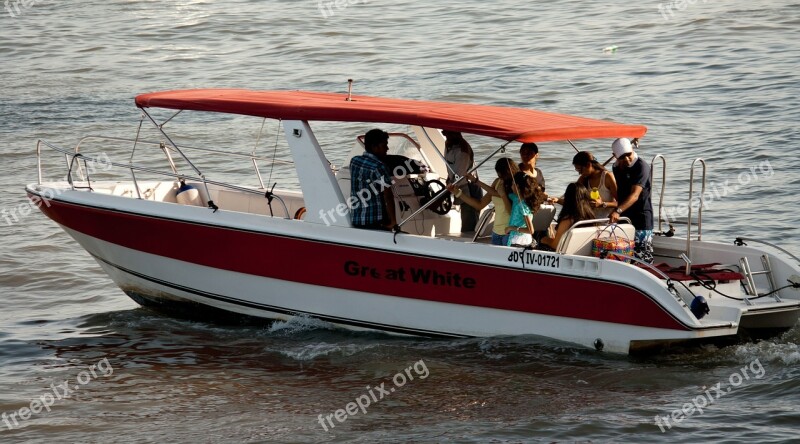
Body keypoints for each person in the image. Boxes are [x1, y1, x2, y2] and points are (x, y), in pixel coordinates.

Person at [446, 158, 518, 246]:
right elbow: (479, 205)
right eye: (499, 175)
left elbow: (510, 211)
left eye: (503, 176)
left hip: (510, 232)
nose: (501, 179)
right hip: (496, 232)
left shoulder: (516, 186)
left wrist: (502, 194)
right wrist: (457, 193)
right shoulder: (498, 182)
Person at [609, 138, 653, 263]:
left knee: (642, 258)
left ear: (632, 150)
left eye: (628, 155)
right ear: (615, 156)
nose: (627, 159)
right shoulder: (616, 167)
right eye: (622, 157)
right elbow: (620, 192)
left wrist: (617, 210)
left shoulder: (641, 167)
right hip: (624, 217)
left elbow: (634, 195)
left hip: (641, 217)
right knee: (623, 256)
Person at [349, 129, 397, 230]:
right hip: (375, 220)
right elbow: (387, 195)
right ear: (374, 147)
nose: (387, 149)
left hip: (357, 219)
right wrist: (393, 221)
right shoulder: (378, 167)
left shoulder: (354, 161)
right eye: (384, 145)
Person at [443, 130, 483, 232]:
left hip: (469, 190)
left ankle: (471, 245)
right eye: (444, 133)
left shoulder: (463, 151)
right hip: (460, 188)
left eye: (447, 133)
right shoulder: (449, 145)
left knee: (469, 226)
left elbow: (460, 176)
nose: (445, 135)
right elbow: (450, 170)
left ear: (456, 133)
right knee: (465, 221)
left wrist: (449, 188)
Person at [537, 183, 596, 251]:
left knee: (540, 237)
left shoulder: (568, 220)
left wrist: (544, 239)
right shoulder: (590, 217)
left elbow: (556, 246)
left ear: (568, 198)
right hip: (581, 250)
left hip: (564, 253)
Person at [505, 171, 547, 247]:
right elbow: (506, 195)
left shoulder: (523, 206)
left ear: (517, 186)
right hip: (517, 240)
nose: (511, 186)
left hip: (519, 242)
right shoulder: (516, 199)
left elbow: (531, 230)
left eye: (512, 184)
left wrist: (511, 228)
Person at [572, 151, 618, 218]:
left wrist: (602, 204)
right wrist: (557, 200)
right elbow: (572, 199)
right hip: (590, 221)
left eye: (580, 170)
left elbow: (620, 203)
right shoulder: (583, 178)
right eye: (577, 171)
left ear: (588, 165)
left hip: (606, 221)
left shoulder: (607, 177)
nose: (580, 173)